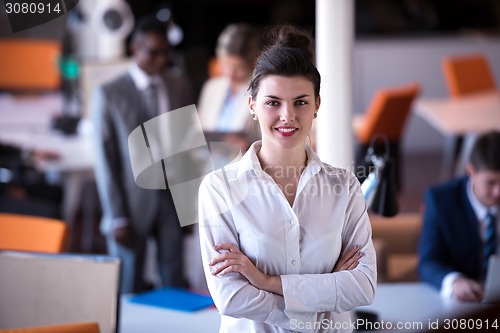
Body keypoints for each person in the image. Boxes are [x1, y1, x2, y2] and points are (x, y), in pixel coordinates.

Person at [198, 25, 376, 332]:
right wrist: (322, 295)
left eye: (301, 102)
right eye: (273, 102)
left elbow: (362, 286)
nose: (287, 116)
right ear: (252, 105)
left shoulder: (344, 186)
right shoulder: (219, 189)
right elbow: (230, 296)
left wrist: (267, 282)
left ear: (317, 105)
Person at [91, 15, 195, 293]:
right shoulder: (108, 94)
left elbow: (189, 148)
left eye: (166, 54)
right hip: (129, 202)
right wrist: (116, 216)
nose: (161, 60)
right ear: (136, 47)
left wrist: (190, 206)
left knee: (174, 280)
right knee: (128, 283)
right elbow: (105, 159)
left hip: (171, 200)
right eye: (154, 52)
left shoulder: (180, 86)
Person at [419, 130, 500, 303]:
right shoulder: (440, 200)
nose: (498, 192)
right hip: (462, 305)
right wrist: (454, 282)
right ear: (471, 171)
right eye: (490, 182)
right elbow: (428, 262)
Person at [197, 23, 262, 154]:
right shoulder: (212, 87)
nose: (231, 73)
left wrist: (247, 144)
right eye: (226, 65)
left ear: (253, 62)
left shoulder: (261, 90)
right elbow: (197, 133)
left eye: (239, 68)